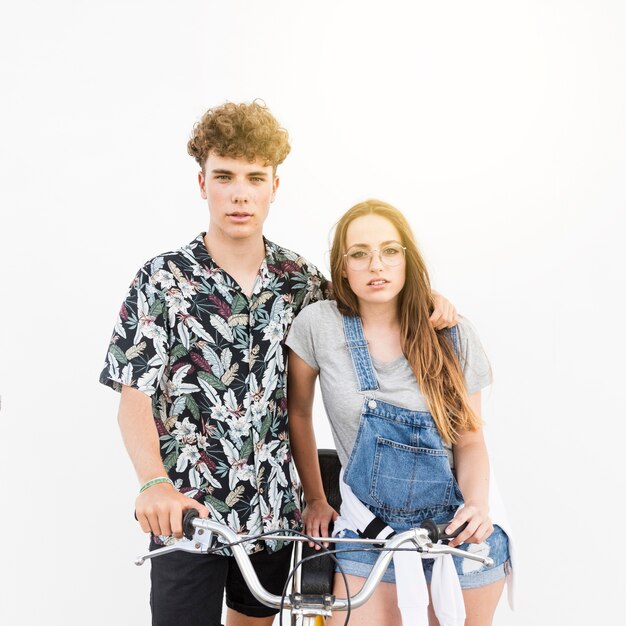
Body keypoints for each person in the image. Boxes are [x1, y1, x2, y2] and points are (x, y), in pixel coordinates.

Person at [99, 103, 459, 626]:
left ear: (274, 186)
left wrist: (429, 301)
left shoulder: (301, 280)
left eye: (254, 178)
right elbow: (132, 399)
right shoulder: (162, 280)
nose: (240, 193)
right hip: (190, 515)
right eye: (225, 177)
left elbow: (372, 299)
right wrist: (154, 483)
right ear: (203, 183)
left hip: (274, 514)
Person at [286, 199, 512, 626]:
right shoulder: (318, 326)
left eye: (390, 251)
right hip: (367, 536)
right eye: (359, 253)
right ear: (342, 264)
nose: (376, 264)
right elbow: (297, 413)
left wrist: (479, 506)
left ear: (407, 259)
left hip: (458, 537)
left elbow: (470, 439)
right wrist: (315, 497)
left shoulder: (452, 334)